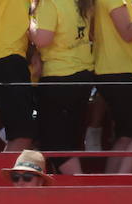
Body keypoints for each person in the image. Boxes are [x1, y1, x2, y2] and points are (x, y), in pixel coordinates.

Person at [31, 0, 94, 174]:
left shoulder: (50, 2)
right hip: (82, 75)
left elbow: (42, 39)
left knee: (55, 144)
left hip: (59, 78)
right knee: (69, 141)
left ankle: (79, 189)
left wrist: (29, 21)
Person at [94, 0, 132, 172]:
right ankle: (122, 182)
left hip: (120, 71)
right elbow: (127, 33)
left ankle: (111, 184)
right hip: (121, 72)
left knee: (126, 135)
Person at [0, 0, 36, 152]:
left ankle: (8, 174)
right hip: (7, 59)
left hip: (12, 59)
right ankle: (4, 176)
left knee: (21, 136)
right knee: (22, 136)